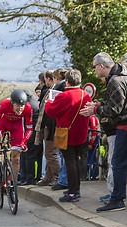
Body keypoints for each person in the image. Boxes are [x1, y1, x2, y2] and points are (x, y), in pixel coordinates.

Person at [80, 52, 127, 212]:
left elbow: (115, 109)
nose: (94, 71)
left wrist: (96, 108)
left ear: (102, 66)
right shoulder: (126, 77)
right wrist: (103, 103)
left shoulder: (115, 81)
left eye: (94, 67)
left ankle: (117, 199)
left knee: (118, 163)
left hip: (126, 127)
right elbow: (121, 102)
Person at [45, 69, 90, 202]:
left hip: (67, 133)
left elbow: (51, 111)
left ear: (67, 81)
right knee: (76, 160)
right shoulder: (85, 94)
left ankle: (73, 192)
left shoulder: (64, 96)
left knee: (70, 161)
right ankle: (75, 188)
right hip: (81, 133)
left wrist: (49, 101)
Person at [0, 89, 33, 179]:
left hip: (17, 128)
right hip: (3, 124)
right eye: (17, 105)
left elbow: (30, 129)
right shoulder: (4, 104)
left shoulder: (28, 108)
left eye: (22, 105)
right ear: (12, 103)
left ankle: (13, 182)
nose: (20, 108)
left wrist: (23, 143)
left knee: (16, 159)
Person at [34, 70, 60, 186]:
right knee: (48, 153)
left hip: (51, 126)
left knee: (51, 153)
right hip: (47, 126)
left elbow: (50, 109)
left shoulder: (54, 91)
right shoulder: (49, 90)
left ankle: (57, 177)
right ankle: (48, 177)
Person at [20, 90, 42, 185]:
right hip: (38, 135)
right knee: (38, 158)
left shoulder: (29, 106)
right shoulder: (35, 102)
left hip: (32, 135)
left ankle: (29, 179)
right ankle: (37, 177)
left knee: (30, 158)